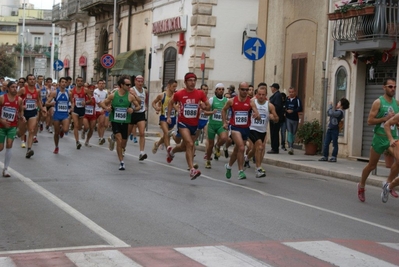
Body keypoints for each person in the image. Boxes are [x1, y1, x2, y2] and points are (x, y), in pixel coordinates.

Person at [358, 78, 399, 202]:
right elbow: (370, 121)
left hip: (393, 138)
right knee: (371, 166)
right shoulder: (378, 102)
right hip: (379, 138)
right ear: (384, 87)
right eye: (390, 86)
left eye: (394, 87)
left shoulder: (396, 103)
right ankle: (361, 186)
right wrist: (385, 118)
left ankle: (388, 185)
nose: (393, 89)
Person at [166, 72, 210, 180]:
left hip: (194, 124)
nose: (192, 82)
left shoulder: (200, 93)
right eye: (190, 80)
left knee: (184, 146)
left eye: (194, 80)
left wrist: (204, 106)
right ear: (185, 82)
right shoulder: (179, 94)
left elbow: (208, 106)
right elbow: (171, 102)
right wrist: (169, 116)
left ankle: (172, 152)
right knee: (190, 144)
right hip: (182, 123)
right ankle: (191, 170)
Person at [100, 75, 141, 170]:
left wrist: (133, 109)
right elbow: (102, 103)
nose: (129, 86)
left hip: (125, 121)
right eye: (127, 84)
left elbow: (138, 106)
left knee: (123, 143)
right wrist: (107, 108)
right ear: (121, 85)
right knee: (119, 140)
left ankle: (112, 137)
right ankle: (121, 162)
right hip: (115, 121)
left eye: (130, 84)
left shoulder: (130, 96)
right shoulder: (114, 95)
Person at [222, 81, 260, 180]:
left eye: (247, 90)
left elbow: (256, 112)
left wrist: (257, 115)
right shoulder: (232, 101)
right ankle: (240, 171)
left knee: (236, 150)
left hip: (245, 128)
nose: (245, 91)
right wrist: (224, 122)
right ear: (239, 90)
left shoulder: (250, 102)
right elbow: (223, 110)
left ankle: (229, 166)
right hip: (234, 128)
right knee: (242, 148)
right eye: (243, 89)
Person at [246, 83, 279, 177]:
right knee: (260, 147)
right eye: (259, 94)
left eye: (263, 95)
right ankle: (258, 169)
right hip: (252, 128)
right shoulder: (252, 102)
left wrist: (274, 118)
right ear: (256, 94)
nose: (261, 96)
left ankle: (247, 158)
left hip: (262, 130)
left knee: (255, 149)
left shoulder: (270, 105)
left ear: (266, 95)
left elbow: (277, 119)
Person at [17, 74, 47, 158]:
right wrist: (21, 106)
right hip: (23, 113)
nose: (32, 81)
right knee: (22, 132)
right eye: (30, 79)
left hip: (33, 112)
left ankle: (29, 149)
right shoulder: (23, 90)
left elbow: (39, 101)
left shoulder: (37, 91)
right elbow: (15, 98)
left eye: (33, 79)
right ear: (27, 81)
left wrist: (42, 109)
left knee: (31, 130)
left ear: (35, 81)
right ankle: (19, 133)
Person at [0, 81, 25, 177]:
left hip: (12, 126)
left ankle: (6, 169)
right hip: (1, 127)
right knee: (1, 148)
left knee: (9, 144)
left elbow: (20, 111)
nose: (15, 89)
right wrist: (1, 120)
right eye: (13, 87)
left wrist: (22, 117)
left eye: (16, 87)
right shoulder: (2, 98)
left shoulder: (19, 100)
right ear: (8, 88)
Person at [203, 83, 228, 169]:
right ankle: (208, 161)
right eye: (219, 89)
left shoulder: (226, 100)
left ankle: (217, 146)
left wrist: (227, 121)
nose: (221, 91)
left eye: (222, 89)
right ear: (216, 90)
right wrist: (212, 112)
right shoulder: (211, 100)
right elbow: (205, 112)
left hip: (221, 125)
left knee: (224, 138)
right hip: (212, 125)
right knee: (210, 145)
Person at [151, 79, 178, 154]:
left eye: (176, 86)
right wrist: (156, 108)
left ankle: (157, 144)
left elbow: (178, 106)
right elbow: (153, 103)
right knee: (167, 133)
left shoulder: (176, 96)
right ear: (168, 86)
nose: (175, 88)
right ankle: (169, 150)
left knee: (167, 135)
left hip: (173, 117)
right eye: (173, 86)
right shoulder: (162, 95)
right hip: (163, 117)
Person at [319, 98, 349, 162]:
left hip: (335, 130)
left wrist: (330, 106)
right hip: (330, 128)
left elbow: (330, 113)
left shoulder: (340, 112)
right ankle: (325, 156)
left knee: (334, 144)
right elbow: (329, 112)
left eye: (339, 103)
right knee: (326, 143)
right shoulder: (336, 111)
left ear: (342, 105)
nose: (337, 103)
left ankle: (333, 156)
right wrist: (330, 109)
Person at [46, 77, 70, 154]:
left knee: (66, 129)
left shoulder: (69, 93)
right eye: (62, 82)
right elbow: (46, 103)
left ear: (67, 84)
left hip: (65, 114)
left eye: (65, 82)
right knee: (56, 133)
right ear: (59, 83)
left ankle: (62, 131)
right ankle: (56, 147)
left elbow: (73, 102)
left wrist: (71, 108)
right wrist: (51, 104)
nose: (64, 83)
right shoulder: (55, 92)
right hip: (57, 114)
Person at [128, 75, 148, 161]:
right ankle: (122, 149)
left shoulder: (145, 90)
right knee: (127, 134)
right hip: (132, 112)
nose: (140, 83)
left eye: (141, 81)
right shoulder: (132, 90)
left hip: (141, 113)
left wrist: (146, 106)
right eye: (138, 81)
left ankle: (141, 152)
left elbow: (145, 100)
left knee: (142, 133)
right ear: (135, 82)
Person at [285, 87, 303, 155]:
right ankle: (291, 147)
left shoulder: (297, 99)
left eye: (292, 92)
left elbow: (300, 108)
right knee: (289, 132)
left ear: (295, 92)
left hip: (295, 118)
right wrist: (286, 110)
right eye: (290, 92)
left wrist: (293, 111)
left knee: (294, 132)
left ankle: (291, 143)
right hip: (288, 118)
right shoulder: (287, 99)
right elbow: (284, 106)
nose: (291, 93)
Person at [70, 77, 86, 149]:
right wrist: (72, 106)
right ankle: (77, 142)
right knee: (76, 126)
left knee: (79, 127)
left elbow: (91, 100)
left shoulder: (85, 90)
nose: (80, 82)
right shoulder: (72, 91)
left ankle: (75, 126)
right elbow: (71, 100)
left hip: (82, 109)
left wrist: (86, 102)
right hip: (75, 109)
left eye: (81, 81)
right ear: (76, 81)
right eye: (78, 81)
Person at [267, 83, 283, 154]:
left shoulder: (277, 95)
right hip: (272, 116)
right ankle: (273, 147)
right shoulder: (275, 95)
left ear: (275, 88)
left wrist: (272, 111)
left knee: (274, 132)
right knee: (273, 132)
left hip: (275, 117)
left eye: (272, 87)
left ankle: (275, 148)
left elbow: (277, 106)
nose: (271, 89)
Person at [94, 79, 108, 145]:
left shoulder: (105, 92)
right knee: (99, 124)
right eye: (100, 83)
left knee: (102, 123)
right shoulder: (95, 91)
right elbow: (97, 102)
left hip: (102, 110)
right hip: (95, 110)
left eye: (102, 83)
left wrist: (106, 108)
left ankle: (101, 137)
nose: (101, 84)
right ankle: (100, 136)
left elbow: (107, 101)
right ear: (97, 84)